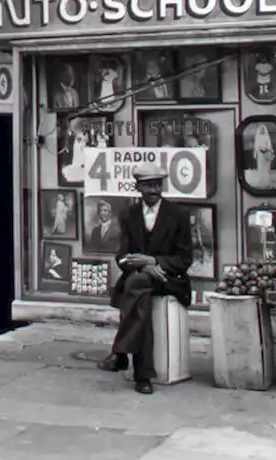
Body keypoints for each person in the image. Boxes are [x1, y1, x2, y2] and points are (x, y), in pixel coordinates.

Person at [98, 162, 193, 395]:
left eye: (158, 185)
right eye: (149, 186)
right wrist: (137, 264)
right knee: (140, 296)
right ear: (137, 187)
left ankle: (120, 353)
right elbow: (122, 254)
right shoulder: (129, 214)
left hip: (169, 279)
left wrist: (153, 263)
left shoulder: (178, 215)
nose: (154, 191)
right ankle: (142, 376)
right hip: (139, 279)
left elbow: (184, 259)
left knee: (135, 287)